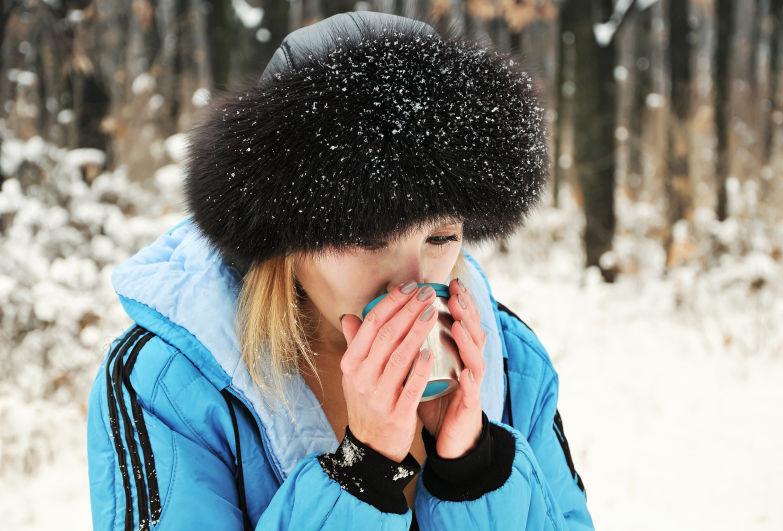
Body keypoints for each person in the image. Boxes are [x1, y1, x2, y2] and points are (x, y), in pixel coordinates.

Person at [86, 10, 594, 531]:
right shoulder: (166, 383)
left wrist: (471, 469)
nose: (413, 281)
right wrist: (364, 473)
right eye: (369, 239)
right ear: (287, 242)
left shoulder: (512, 361)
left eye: (441, 237)